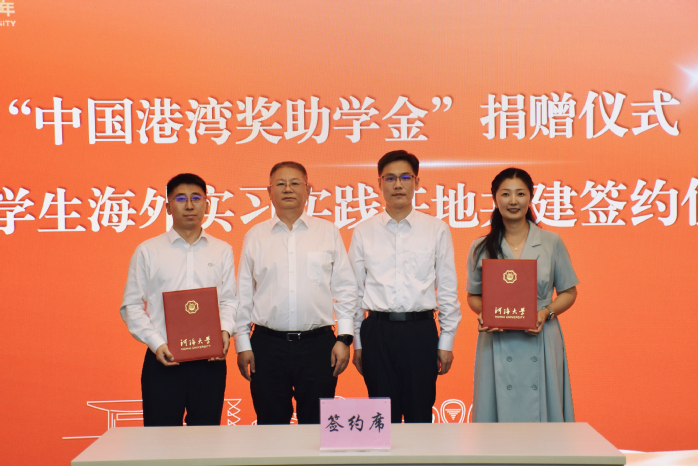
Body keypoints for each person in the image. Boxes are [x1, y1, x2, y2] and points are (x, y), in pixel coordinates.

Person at [234, 161, 357, 425]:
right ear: (269, 192)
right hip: (267, 346)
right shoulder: (255, 236)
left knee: (318, 427)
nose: (287, 189)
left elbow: (346, 288)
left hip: (318, 346)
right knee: (271, 424)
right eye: (280, 184)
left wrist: (344, 338)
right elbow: (243, 294)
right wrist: (242, 344)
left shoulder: (327, 232)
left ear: (308, 190)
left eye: (295, 183)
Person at [349, 150, 462, 424]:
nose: (398, 185)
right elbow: (353, 292)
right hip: (377, 332)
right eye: (390, 178)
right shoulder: (363, 231)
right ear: (379, 183)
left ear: (417, 182)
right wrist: (358, 342)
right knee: (381, 420)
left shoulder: (436, 229)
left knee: (419, 416)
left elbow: (447, 289)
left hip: (420, 332)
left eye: (405, 177)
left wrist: (446, 341)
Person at [120, 173, 238, 426]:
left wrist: (225, 332)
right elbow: (132, 305)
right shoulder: (148, 251)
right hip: (164, 360)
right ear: (167, 207)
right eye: (181, 199)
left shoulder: (222, 250)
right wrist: (156, 343)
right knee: (160, 439)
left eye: (196, 198)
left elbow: (229, 301)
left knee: (206, 439)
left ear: (207, 205)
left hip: (210, 362)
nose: (189, 205)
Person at [466, 167, 579, 422]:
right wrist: (485, 313)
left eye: (520, 193)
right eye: (506, 194)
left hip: (541, 335)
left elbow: (569, 292)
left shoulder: (551, 241)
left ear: (531, 197)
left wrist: (546, 312)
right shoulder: (480, 246)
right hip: (496, 339)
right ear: (495, 198)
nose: (513, 201)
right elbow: (473, 296)